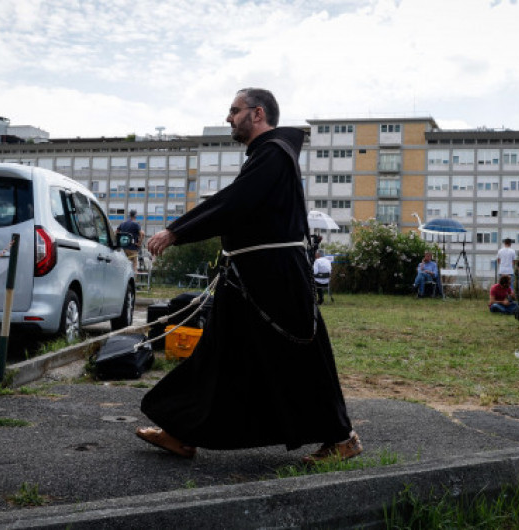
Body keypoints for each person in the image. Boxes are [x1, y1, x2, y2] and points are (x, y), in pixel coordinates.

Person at [138, 88, 360, 464]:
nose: (228, 118)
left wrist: (177, 231)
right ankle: (181, 433)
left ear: (257, 114)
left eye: (234, 110)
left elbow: (235, 203)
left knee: (300, 357)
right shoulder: (266, 155)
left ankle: (342, 438)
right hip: (249, 277)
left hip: (276, 278)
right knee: (217, 355)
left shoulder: (273, 154)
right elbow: (239, 203)